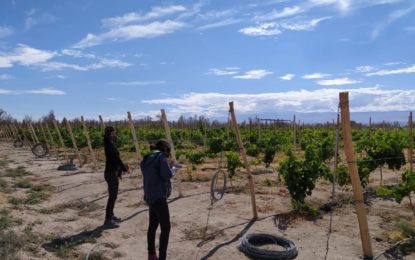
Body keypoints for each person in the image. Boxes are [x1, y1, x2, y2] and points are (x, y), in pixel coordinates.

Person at [141, 139, 176, 260]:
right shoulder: (161, 157)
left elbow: (154, 173)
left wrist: (168, 166)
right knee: (166, 228)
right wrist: (173, 169)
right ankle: (162, 257)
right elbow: (166, 175)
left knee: (153, 226)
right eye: (168, 148)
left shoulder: (147, 157)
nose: (169, 150)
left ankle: (151, 254)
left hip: (150, 196)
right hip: (159, 197)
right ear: (165, 148)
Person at [103, 126, 128, 228]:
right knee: (112, 197)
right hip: (111, 173)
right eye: (114, 133)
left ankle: (111, 216)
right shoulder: (109, 145)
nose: (115, 135)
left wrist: (122, 167)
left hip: (112, 172)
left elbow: (116, 159)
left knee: (113, 196)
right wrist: (123, 167)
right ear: (109, 134)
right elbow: (116, 158)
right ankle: (108, 220)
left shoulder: (109, 143)